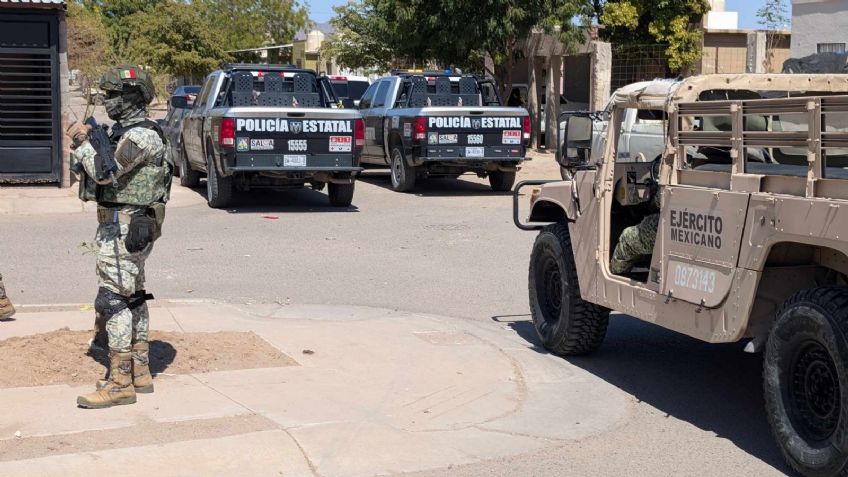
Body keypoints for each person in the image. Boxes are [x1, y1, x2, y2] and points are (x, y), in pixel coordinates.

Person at [67, 65, 171, 409]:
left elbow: (104, 172)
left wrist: (80, 140)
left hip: (124, 229)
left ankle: (119, 383)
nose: (107, 101)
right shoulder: (129, 133)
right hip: (129, 226)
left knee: (112, 299)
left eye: (112, 95)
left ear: (131, 98)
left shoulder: (141, 137)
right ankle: (140, 371)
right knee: (134, 296)